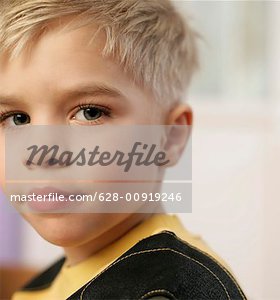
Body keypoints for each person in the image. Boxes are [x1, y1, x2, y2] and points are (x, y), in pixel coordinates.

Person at [0, 0, 246, 299]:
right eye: (16, 119)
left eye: (89, 112)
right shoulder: (45, 285)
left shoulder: (168, 290)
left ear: (170, 137)